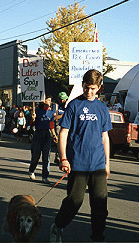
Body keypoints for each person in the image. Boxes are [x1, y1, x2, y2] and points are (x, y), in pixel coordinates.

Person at [49, 69, 112, 243]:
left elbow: (105, 137)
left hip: (98, 164)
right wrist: (63, 158)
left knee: (100, 204)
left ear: (99, 87)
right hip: (77, 163)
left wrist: (107, 163)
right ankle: (58, 226)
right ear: (82, 84)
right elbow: (63, 133)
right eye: (86, 87)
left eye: (92, 88)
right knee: (74, 201)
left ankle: (98, 238)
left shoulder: (102, 109)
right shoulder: (74, 105)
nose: (88, 91)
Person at [28, 96, 58, 184]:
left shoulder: (51, 112)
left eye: (50, 100)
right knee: (36, 156)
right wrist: (33, 118)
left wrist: (54, 135)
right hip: (38, 134)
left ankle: (45, 176)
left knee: (46, 157)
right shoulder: (36, 111)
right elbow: (32, 124)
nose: (49, 101)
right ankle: (31, 170)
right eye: (47, 100)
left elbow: (51, 124)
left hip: (47, 135)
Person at [53, 91, 69, 164]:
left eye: (65, 99)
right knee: (60, 141)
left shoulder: (68, 105)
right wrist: (63, 115)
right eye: (62, 99)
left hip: (67, 125)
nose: (63, 101)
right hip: (59, 124)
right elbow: (54, 117)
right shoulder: (56, 106)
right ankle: (58, 156)